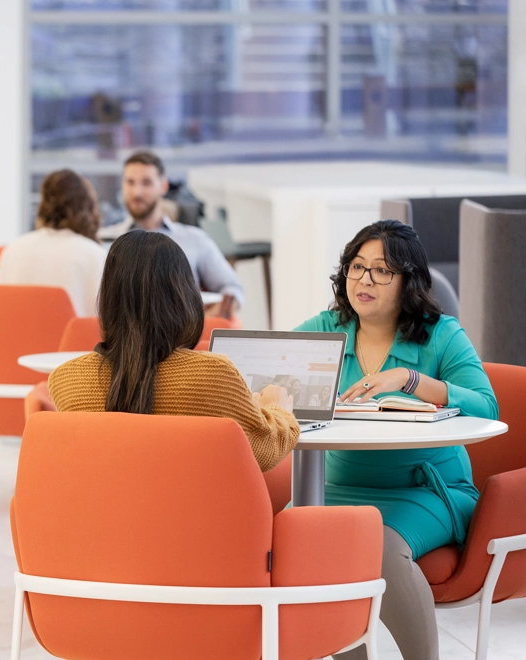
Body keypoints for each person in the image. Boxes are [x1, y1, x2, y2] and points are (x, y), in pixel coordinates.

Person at [297, 220, 497, 660]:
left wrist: (411, 380)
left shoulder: (441, 333)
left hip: (426, 490)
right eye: (356, 266)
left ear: (408, 281)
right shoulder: (326, 327)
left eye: (382, 270)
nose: (364, 280)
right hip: (336, 488)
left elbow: (487, 406)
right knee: (305, 538)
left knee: (375, 542)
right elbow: (276, 373)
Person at [48, 230, 296, 473]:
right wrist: (279, 410)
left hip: (107, 513)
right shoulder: (213, 375)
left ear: (108, 299)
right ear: (184, 296)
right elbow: (265, 450)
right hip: (197, 513)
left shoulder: (66, 381)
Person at [99, 152, 244, 319]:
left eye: (146, 183)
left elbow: (232, 287)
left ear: (163, 186)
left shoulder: (194, 239)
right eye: (130, 182)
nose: (137, 192)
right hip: (124, 334)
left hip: (185, 333)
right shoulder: (105, 240)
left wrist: (218, 311)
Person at [0, 169, 107, 316]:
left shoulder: (13, 250)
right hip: (74, 339)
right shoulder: (95, 255)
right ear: (87, 207)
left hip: (17, 339)